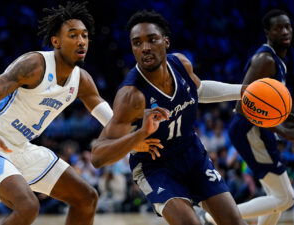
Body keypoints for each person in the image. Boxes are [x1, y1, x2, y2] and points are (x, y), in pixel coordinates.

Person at [0, 2, 114, 225]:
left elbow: (113, 121)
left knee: (86, 198)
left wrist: (136, 134)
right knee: (28, 206)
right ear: (56, 41)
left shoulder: (83, 81)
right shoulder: (35, 65)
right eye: (73, 35)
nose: (81, 41)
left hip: (19, 146)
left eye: (85, 36)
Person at [91, 10, 247, 225]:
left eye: (152, 39)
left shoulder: (181, 64)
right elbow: (98, 156)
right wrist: (140, 135)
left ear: (166, 42)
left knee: (234, 222)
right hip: (156, 166)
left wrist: (243, 91)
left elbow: (199, 91)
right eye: (137, 43)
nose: (144, 47)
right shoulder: (131, 96)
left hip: (192, 153)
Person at [202, 9, 294, 225]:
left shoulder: (278, 61)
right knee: (285, 198)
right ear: (267, 32)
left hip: (257, 129)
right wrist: (284, 131)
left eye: (288, 26)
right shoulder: (265, 60)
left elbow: (275, 111)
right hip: (249, 129)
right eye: (279, 27)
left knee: (276, 199)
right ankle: (216, 216)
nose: (285, 31)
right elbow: (244, 103)